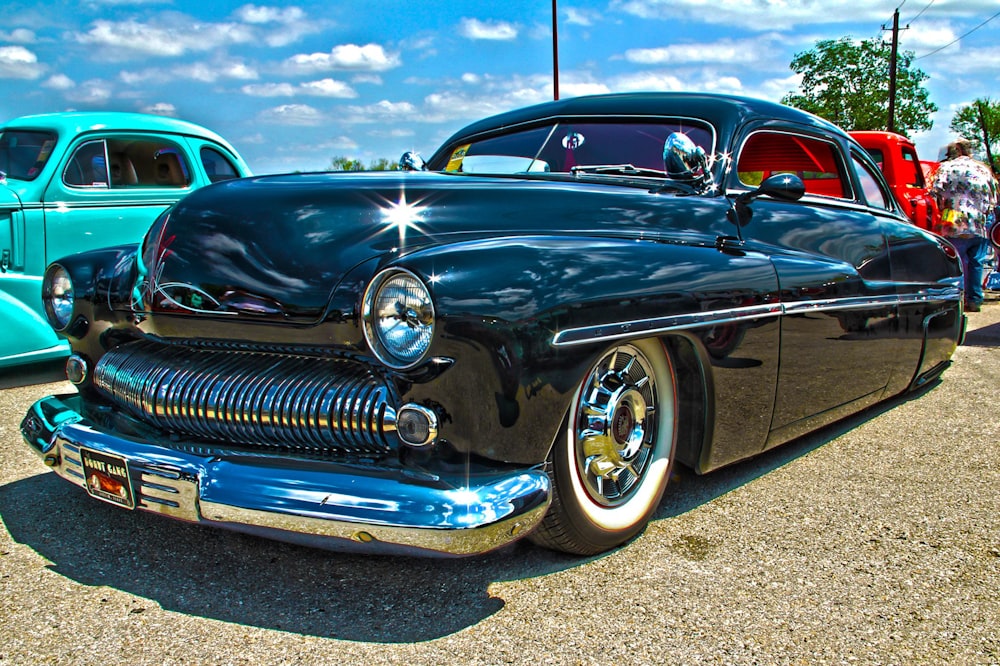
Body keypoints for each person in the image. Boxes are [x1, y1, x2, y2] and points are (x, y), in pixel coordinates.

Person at [929, 138, 999, 312]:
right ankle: (974, 299)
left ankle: (956, 299)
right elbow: (994, 196)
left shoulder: (946, 168)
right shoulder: (983, 169)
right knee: (977, 261)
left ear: (956, 151)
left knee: (956, 260)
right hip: (980, 221)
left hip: (954, 218)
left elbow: (934, 191)